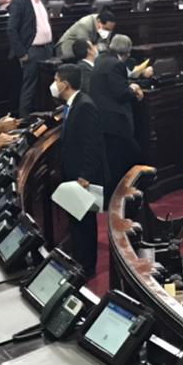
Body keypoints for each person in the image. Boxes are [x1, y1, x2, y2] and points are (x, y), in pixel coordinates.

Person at [53, 63, 106, 274]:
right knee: (76, 220)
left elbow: (92, 142)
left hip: (81, 176)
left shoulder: (85, 105)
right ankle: (80, 260)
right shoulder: (72, 104)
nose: (54, 84)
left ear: (65, 84)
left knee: (84, 221)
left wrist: (86, 175)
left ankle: (87, 265)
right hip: (72, 171)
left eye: (56, 80)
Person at [90, 33, 145, 200]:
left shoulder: (101, 59)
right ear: (127, 52)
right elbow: (120, 93)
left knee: (113, 160)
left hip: (103, 118)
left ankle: (116, 195)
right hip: (115, 121)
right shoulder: (116, 65)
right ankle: (120, 195)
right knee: (128, 156)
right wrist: (133, 89)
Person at [6, 0, 54, 115]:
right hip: (31, 51)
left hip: (47, 49)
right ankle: (24, 120)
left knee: (47, 86)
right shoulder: (20, 2)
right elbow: (11, 29)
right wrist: (22, 53)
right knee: (30, 88)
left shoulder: (42, 0)